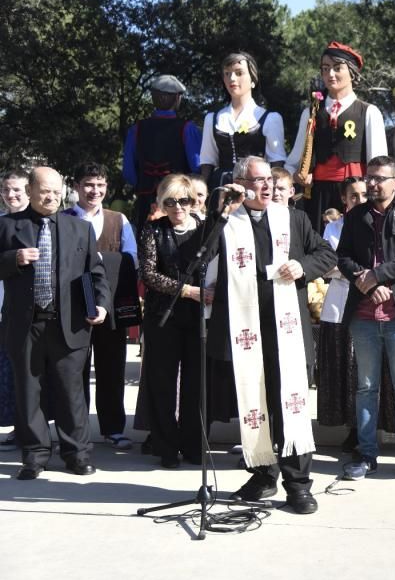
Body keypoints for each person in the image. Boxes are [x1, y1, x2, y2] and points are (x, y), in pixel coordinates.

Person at [206, 156, 336, 514]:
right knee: (254, 403)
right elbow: (200, 255)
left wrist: (303, 266)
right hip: (246, 330)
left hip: (287, 329)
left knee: (288, 404)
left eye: (269, 180)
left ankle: (298, 485)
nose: (265, 187)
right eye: (256, 181)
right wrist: (217, 214)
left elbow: (324, 253)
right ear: (239, 184)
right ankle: (263, 474)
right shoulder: (226, 221)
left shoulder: (292, 218)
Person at [0, 167, 109, 480]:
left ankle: (76, 454)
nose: (50, 197)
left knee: (70, 391)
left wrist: (100, 305)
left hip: (69, 324)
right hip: (25, 324)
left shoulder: (80, 228)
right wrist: (13, 259)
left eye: (55, 191)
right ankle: (34, 455)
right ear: (31, 191)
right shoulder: (8, 226)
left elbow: (95, 274)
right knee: (28, 391)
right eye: (44, 191)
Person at [337, 156, 395, 480]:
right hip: (363, 316)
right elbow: (343, 257)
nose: (373, 183)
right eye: (370, 177)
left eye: (380, 178)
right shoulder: (356, 215)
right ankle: (366, 454)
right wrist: (364, 282)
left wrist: (376, 275)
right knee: (365, 387)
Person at [315, 179, 395, 449]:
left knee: (367, 371)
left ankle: (375, 425)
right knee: (346, 371)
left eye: (364, 194)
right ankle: (353, 427)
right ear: (344, 199)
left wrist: (353, 271)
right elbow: (327, 266)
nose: (359, 199)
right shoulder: (333, 227)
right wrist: (359, 273)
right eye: (354, 196)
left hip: (375, 304)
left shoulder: (378, 223)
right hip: (341, 305)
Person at [65, 162, 140, 451]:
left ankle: (113, 428)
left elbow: (131, 260)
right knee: (74, 371)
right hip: (73, 307)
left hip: (110, 306)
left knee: (112, 368)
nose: (94, 190)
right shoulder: (64, 218)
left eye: (100, 184)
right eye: (88, 184)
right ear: (76, 187)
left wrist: (97, 262)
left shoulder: (118, 220)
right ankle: (77, 431)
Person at [137, 175, 206, 467]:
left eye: (184, 201)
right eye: (170, 202)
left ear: (193, 201)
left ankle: (193, 446)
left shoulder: (206, 230)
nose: (178, 207)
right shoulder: (153, 230)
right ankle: (166, 446)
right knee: (162, 384)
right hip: (162, 316)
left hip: (198, 317)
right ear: (161, 203)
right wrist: (188, 290)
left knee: (195, 385)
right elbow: (149, 274)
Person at [286, 41, 388, 230]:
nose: (330, 74)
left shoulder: (369, 112)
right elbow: (295, 160)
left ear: (352, 72)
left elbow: (379, 164)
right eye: (325, 69)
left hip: (356, 195)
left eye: (337, 68)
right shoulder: (311, 112)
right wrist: (297, 176)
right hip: (318, 196)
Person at [123, 74, 201, 231]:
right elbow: (197, 167)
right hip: (179, 203)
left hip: (145, 200)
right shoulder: (188, 128)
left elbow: (128, 173)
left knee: (144, 245)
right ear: (177, 98)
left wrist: (144, 184)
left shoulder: (136, 129)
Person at [199, 52, 286, 190]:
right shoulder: (212, 119)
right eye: (227, 74)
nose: (232, 78)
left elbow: (277, 164)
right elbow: (207, 162)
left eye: (239, 73)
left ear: (253, 80)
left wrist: (274, 194)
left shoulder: (270, 118)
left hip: (254, 188)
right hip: (220, 186)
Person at [0, 171, 29, 451]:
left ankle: (26, 428)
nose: (11, 195)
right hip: (4, 311)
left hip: (27, 311)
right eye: (7, 190)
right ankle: (15, 427)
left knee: (24, 372)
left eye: (17, 190)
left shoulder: (38, 223)